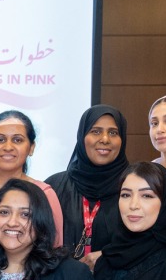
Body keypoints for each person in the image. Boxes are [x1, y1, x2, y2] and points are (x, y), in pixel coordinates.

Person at [0, 110, 64, 247]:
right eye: (0, 140)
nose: (8, 147)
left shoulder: (45, 194)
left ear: (31, 148)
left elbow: (54, 248)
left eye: (17, 140)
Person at [46, 105, 130, 269]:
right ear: (82, 136)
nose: (105, 139)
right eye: (96, 131)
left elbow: (149, 241)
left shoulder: (134, 186)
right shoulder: (54, 186)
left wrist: (109, 255)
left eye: (113, 133)